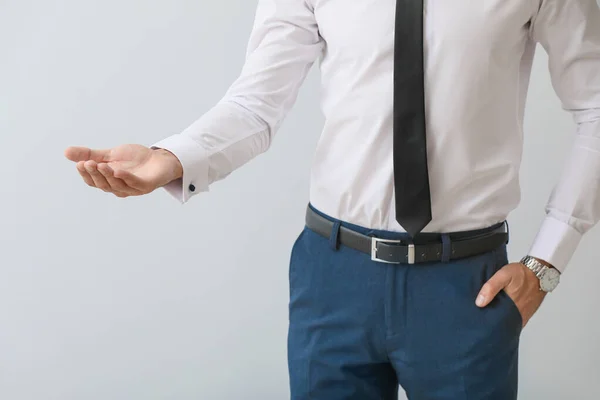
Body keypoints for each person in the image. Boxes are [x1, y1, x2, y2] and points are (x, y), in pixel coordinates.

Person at [64, 0, 600, 398]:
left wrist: (546, 261)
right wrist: (172, 157)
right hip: (334, 278)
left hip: (466, 287)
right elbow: (257, 103)